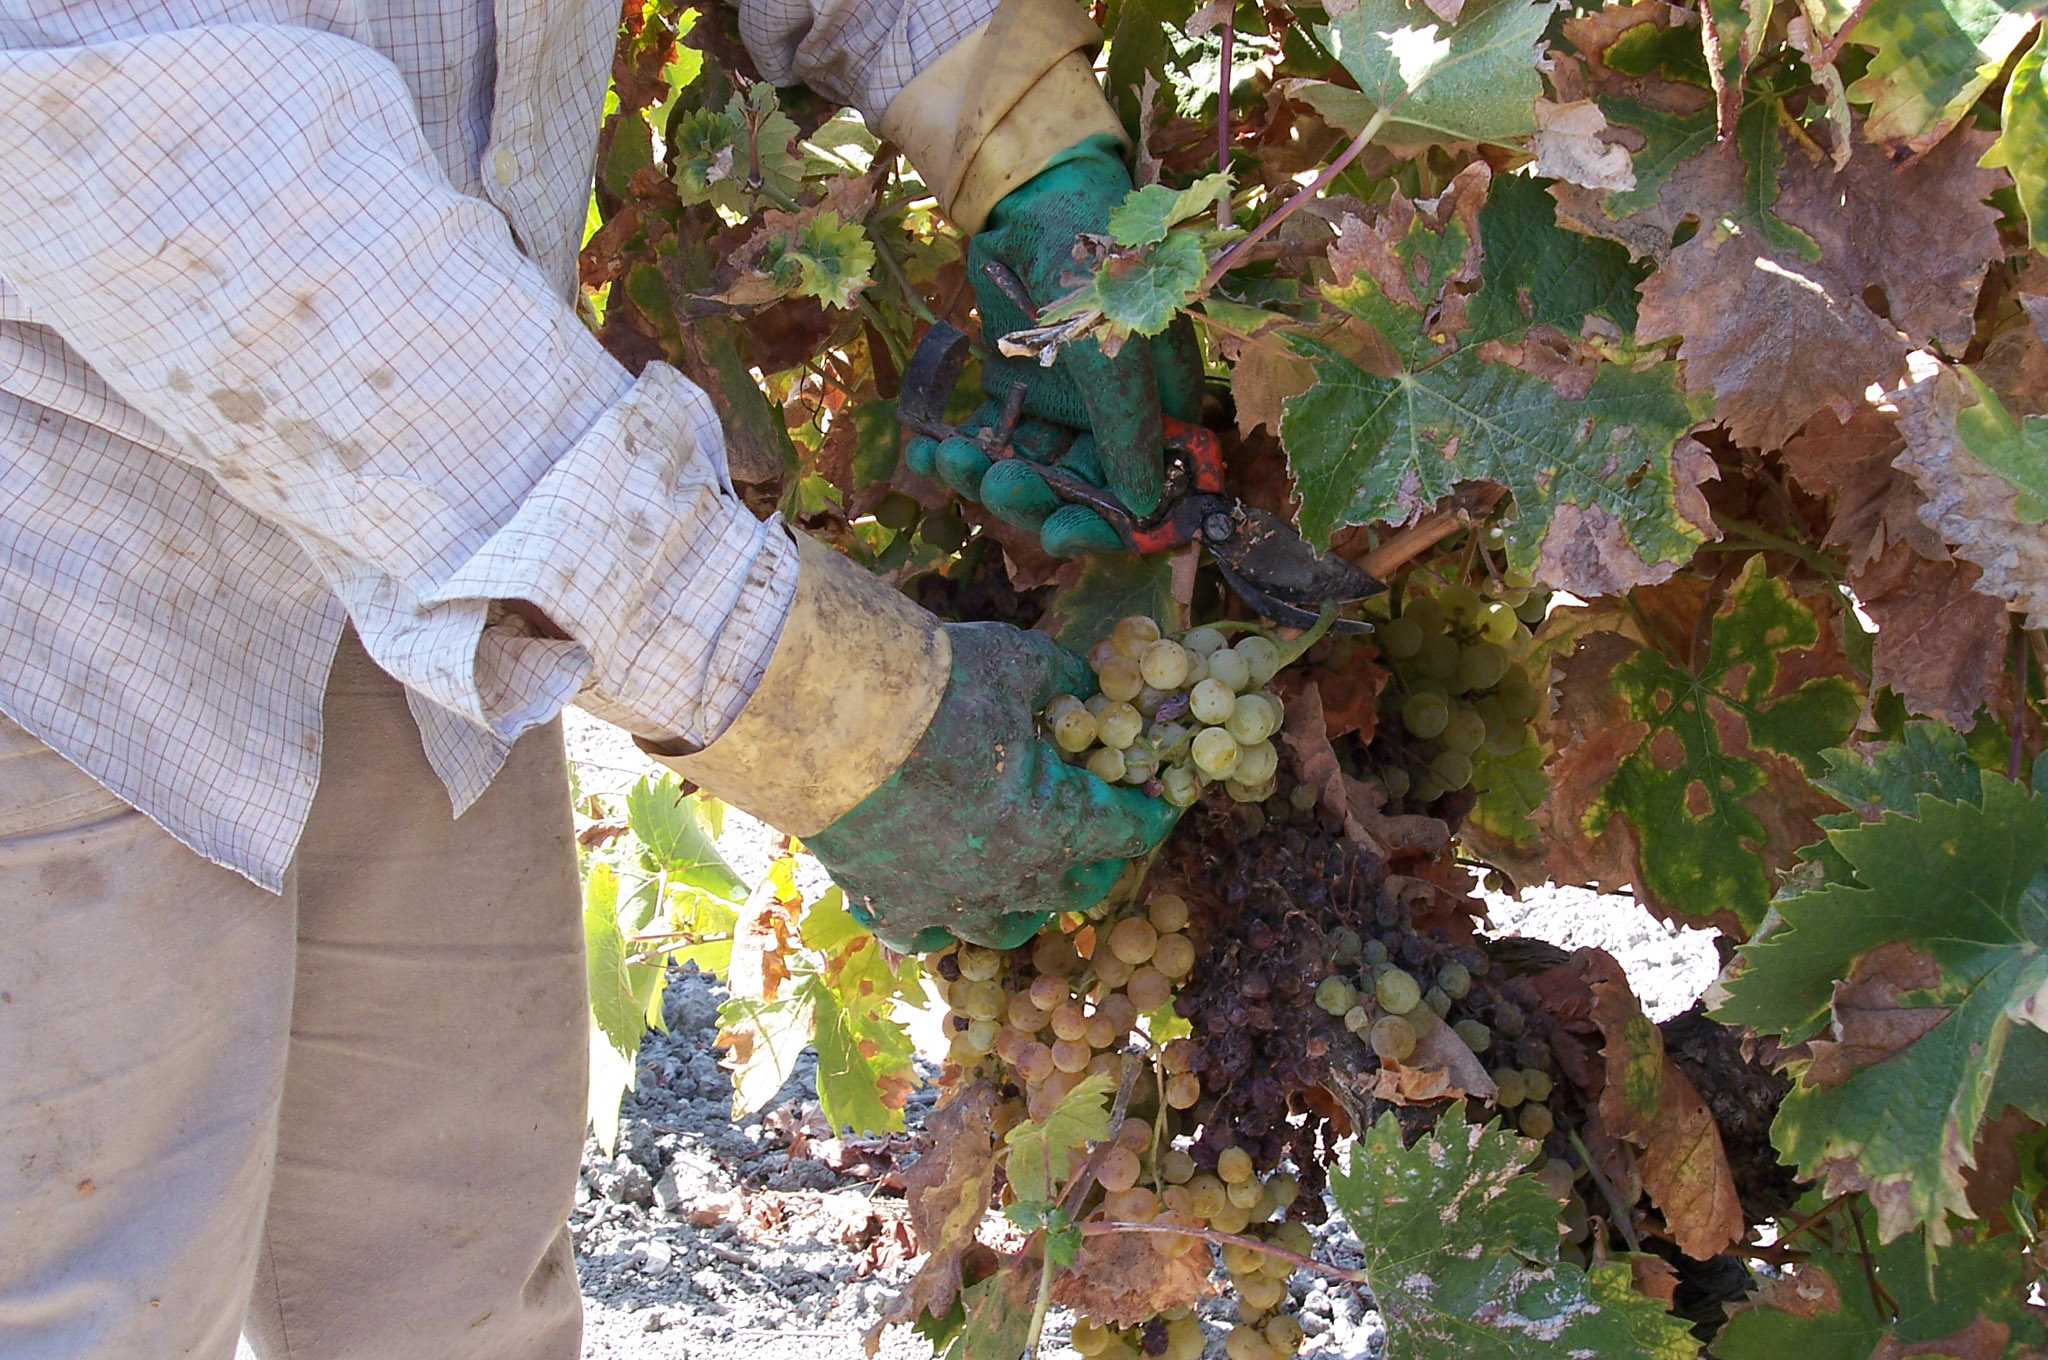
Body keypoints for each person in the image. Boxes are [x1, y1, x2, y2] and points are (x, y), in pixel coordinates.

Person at [0, 0, 1202, 1355]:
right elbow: (171, 174)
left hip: (432, 552)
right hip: (56, 578)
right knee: (88, 1302)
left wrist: (1019, 131)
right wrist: (822, 704)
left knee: (453, 1292)